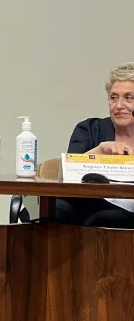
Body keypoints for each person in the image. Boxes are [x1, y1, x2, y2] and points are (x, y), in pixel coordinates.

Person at [57, 63, 134, 228]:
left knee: (104, 219)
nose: (119, 105)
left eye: (129, 98)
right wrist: (99, 151)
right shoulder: (89, 129)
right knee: (55, 210)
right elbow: (67, 177)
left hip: (127, 210)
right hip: (86, 203)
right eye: (113, 98)